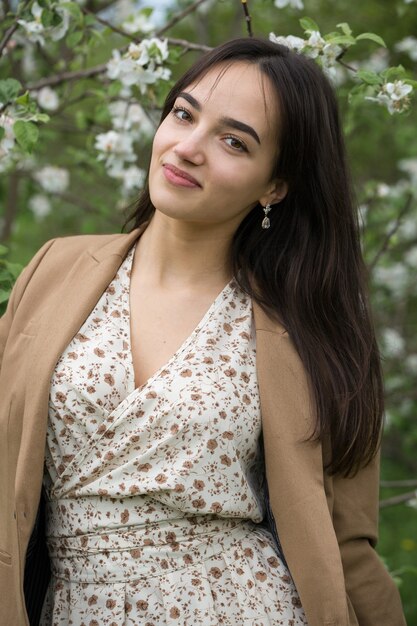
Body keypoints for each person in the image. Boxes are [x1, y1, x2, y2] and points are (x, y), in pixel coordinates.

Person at [0, 37, 406, 626]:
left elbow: (346, 544)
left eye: (234, 141)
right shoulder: (54, 268)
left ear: (275, 186)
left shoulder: (309, 330)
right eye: (185, 114)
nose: (188, 148)